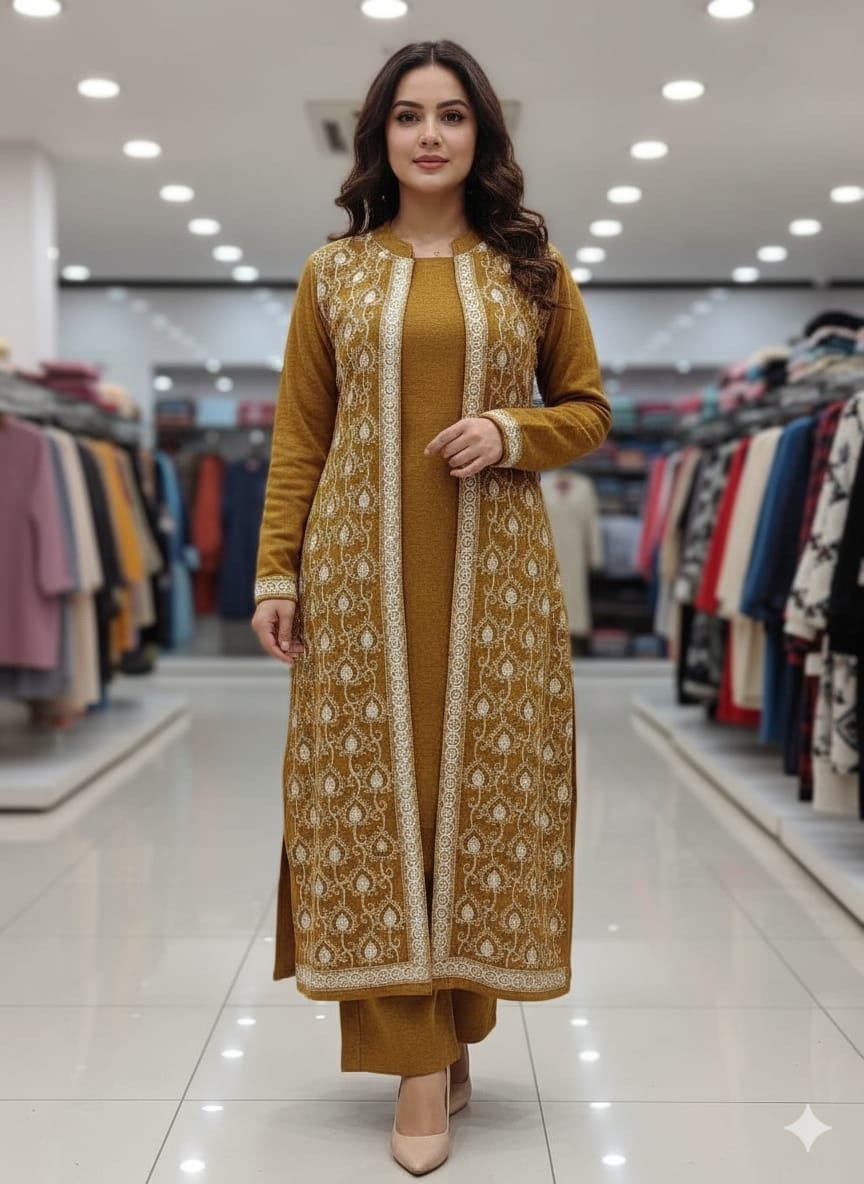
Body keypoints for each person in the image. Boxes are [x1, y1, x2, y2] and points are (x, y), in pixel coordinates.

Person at [251, 38, 611, 1176]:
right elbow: (301, 435)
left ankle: (450, 1026)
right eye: (409, 115)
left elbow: (589, 410)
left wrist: (512, 429)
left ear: (481, 135)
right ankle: (414, 1064)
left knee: (478, 791)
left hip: (496, 579)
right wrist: (275, 571)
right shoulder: (334, 274)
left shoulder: (532, 269)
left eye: (452, 115)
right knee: (373, 797)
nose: (430, 135)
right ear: (381, 136)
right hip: (358, 578)